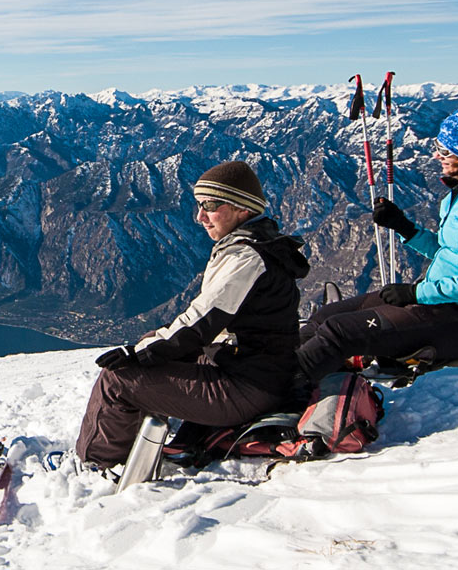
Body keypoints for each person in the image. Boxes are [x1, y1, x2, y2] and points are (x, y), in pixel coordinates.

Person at [75, 160, 310, 469]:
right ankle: (136, 443)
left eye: (210, 206)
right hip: (257, 373)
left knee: (118, 379)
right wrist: (150, 346)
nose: (200, 217)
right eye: (198, 205)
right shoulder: (256, 247)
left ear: (243, 208)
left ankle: (98, 465)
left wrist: (137, 354)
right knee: (151, 347)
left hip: (247, 388)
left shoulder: (246, 258)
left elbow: (201, 322)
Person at [295, 103, 458, 382]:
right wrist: (405, 228)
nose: (437, 155)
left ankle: (276, 392)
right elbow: (450, 252)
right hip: (444, 302)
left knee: (340, 331)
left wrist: (417, 294)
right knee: (326, 315)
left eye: (446, 150)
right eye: (438, 145)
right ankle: (265, 370)